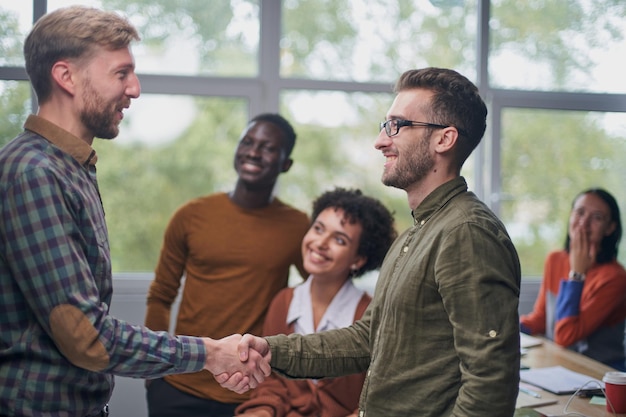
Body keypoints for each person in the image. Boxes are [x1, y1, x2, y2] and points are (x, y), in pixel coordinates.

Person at [0, 7, 269, 417]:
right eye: (121, 73)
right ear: (66, 76)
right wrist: (210, 353)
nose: (135, 89)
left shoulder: (71, 167)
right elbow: (87, 336)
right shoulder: (34, 172)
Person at [218, 67, 523, 417]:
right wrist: (270, 351)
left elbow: (490, 383)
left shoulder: (466, 232)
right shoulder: (416, 234)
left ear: (444, 139)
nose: (380, 141)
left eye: (397, 126)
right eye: (384, 125)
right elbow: (367, 338)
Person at [144, 113, 310, 417]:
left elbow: (317, 296)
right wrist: (153, 373)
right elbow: (161, 295)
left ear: (285, 164)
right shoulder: (191, 215)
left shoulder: (298, 226)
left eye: (268, 147)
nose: (254, 151)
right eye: (247, 141)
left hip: (249, 392)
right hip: (178, 386)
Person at [235, 187, 397, 417]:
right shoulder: (283, 302)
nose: (320, 243)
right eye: (318, 229)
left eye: (339, 240)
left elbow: (375, 400)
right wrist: (260, 413)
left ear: (358, 259)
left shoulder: (371, 315)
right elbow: (270, 385)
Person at [521, 188, 626, 371]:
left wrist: (577, 274)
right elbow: (541, 318)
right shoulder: (555, 260)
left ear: (610, 228)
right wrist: (505, 328)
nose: (583, 223)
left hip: (600, 374)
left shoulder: (616, 278)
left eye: (597, 217)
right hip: (562, 365)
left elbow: (565, 336)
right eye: (579, 212)